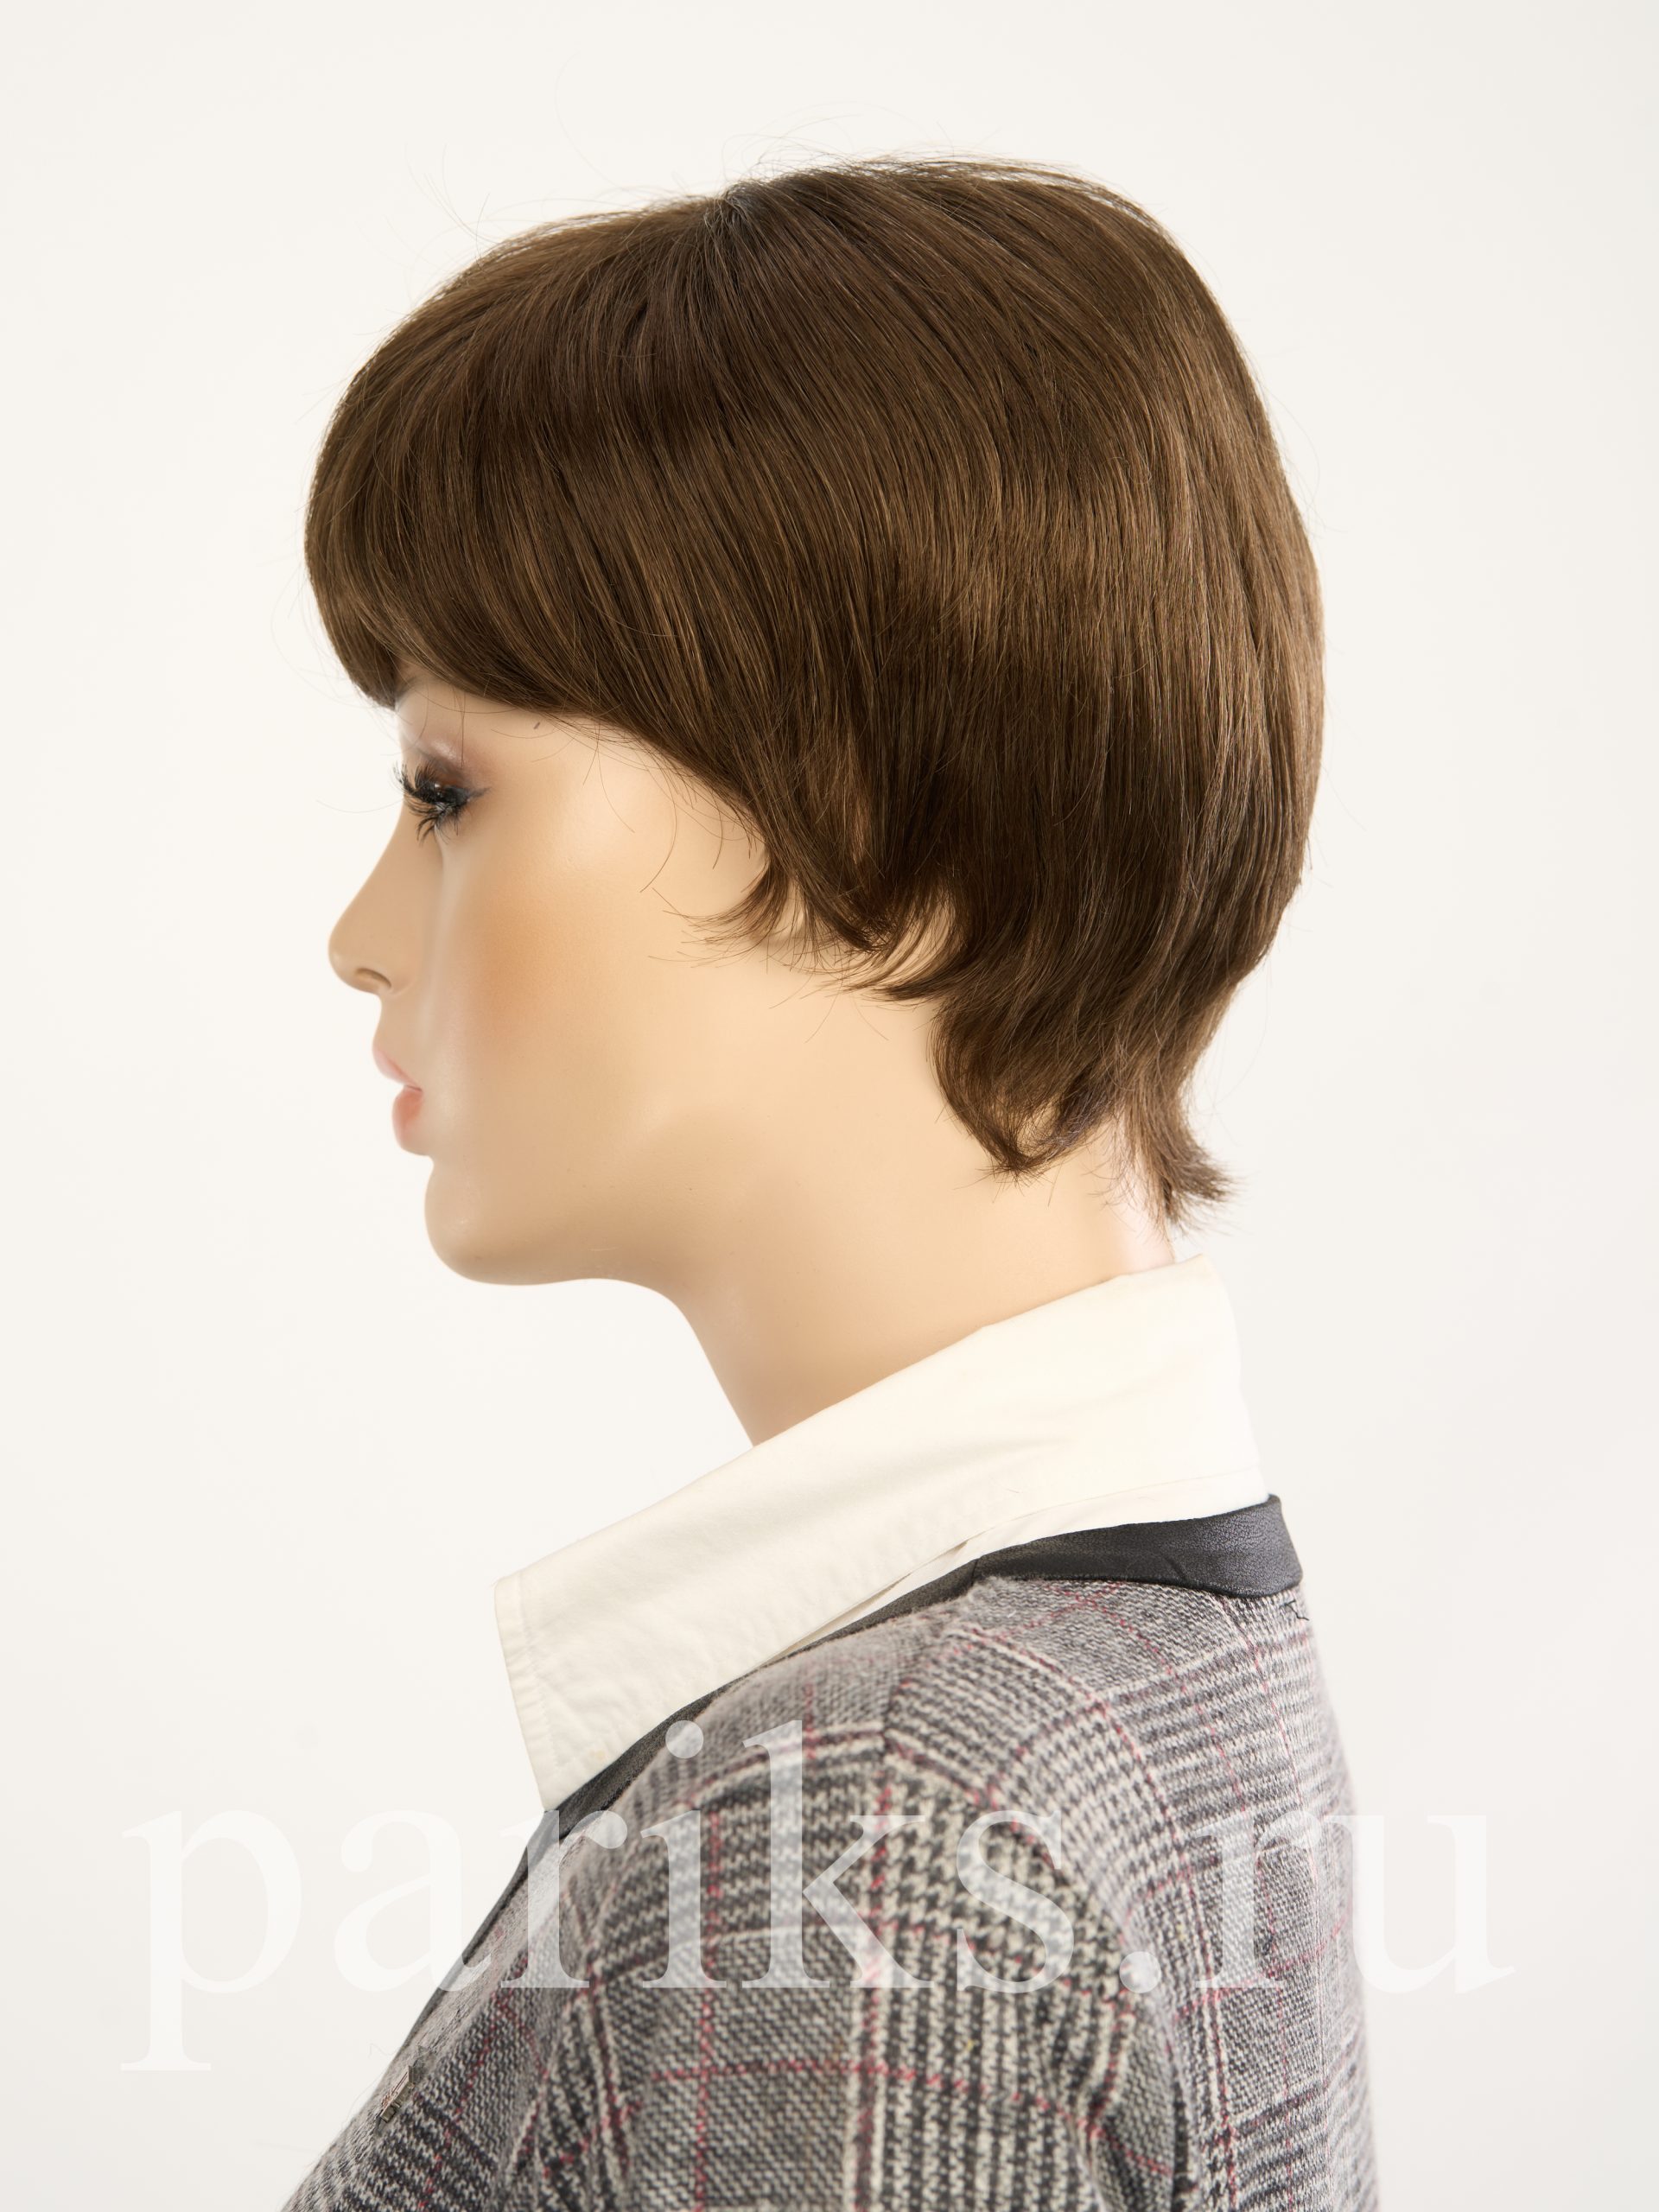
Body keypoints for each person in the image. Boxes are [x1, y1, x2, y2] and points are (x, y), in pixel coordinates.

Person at [286, 152, 1376, 2209]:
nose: (360, 932)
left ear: (866, 820)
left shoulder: (880, 1830)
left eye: (445, 790)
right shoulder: (1121, 1655)